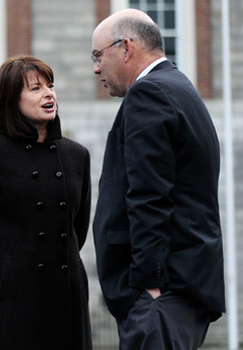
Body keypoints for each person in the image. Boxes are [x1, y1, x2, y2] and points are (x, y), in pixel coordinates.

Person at [91, 9, 225, 349]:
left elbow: (149, 195)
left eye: (97, 56)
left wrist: (147, 284)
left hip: (160, 297)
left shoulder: (148, 94)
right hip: (178, 290)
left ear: (126, 48)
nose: (95, 69)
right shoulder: (179, 88)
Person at [0, 55, 92, 349]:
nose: (49, 93)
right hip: (6, 301)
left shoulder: (76, 155)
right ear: (12, 99)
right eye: (36, 88)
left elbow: (78, 227)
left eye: (50, 86)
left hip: (64, 294)